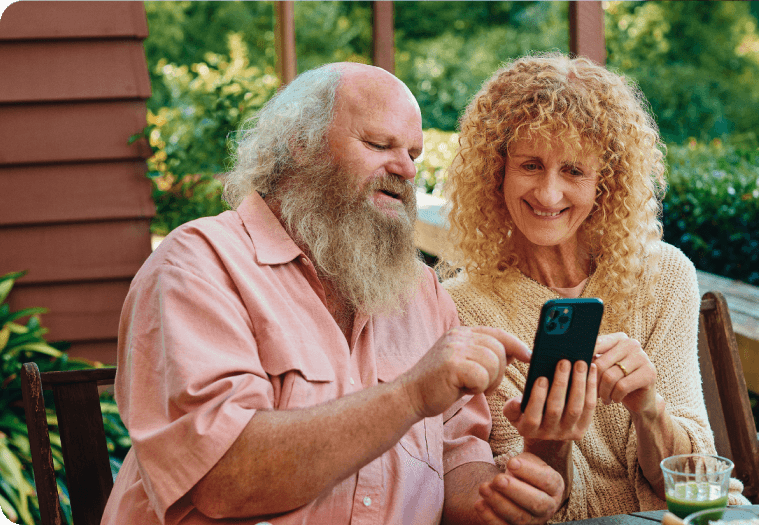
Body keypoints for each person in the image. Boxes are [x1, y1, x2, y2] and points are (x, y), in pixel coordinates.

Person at [100, 62, 567, 525]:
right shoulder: (198, 266)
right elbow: (220, 480)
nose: (405, 169)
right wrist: (409, 397)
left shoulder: (421, 291)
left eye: (413, 154)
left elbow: (457, 462)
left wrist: (501, 498)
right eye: (378, 144)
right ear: (299, 144)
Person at [440, 53, 750, 522]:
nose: (548, 194)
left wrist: (648, 407)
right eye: (530, 165)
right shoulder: (461, 305)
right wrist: (549, 444)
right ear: (495, 170)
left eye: (574, 171)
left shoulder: (663, 277)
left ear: (606, 181)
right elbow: (517, 499)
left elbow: (696, 475)